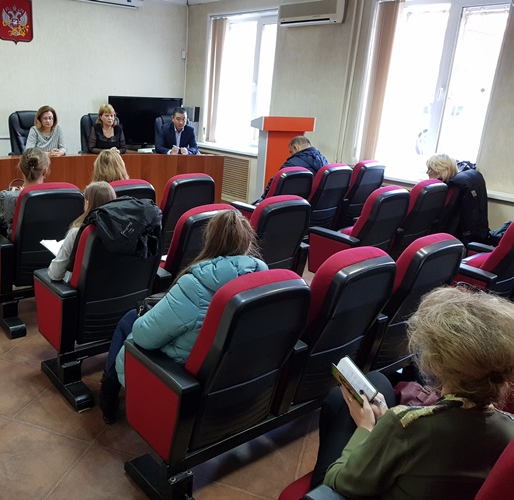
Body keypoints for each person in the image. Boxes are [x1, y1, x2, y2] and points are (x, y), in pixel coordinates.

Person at [311, 286, 514, 498]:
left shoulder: (406, 426)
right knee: (374, 382)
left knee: (340, 400)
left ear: (438, 364)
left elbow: (340, 482)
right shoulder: (509, 431)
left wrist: (366, 428)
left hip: (344, 489)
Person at [99, 210, 268, 423]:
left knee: (129, 321)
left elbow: (143, 337)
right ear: (248, 244)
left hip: (181, 374)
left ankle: (107, 397)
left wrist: (148, 315)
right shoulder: (263, 279)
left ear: (210, 242)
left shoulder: (195, 285)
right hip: (231, 374)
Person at [47, 181, 116, 281]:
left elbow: (55, 274)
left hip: (83, 288)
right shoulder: (124, 230)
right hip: (114, 286)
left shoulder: (77, 233)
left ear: (87, 203)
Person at [0, 147, 49, 238]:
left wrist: (11, 195)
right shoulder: (58, 197)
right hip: (51, 245)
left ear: (21, 169)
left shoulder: (8, 197)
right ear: (45, 172)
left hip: (19, 246)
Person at [427, 153, 489, 243]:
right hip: (476, 235)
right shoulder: (454, 184)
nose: (427, 172)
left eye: (430, 169)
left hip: (438, 237)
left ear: (438, 171)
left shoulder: (440, 191)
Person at [257, 136, 328, 201]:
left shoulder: (291, 165)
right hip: (314, 205)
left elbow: (274, 184)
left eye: (291, 152)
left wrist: (262, 200)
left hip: (290, 205)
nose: (290, 155)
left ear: (295, 148)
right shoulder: (324, 162)